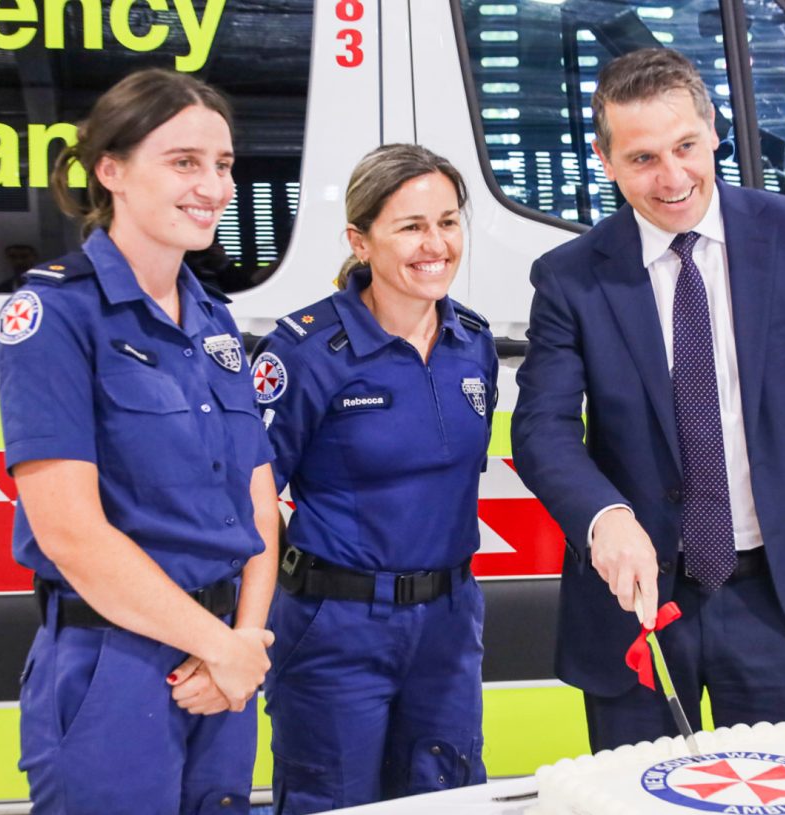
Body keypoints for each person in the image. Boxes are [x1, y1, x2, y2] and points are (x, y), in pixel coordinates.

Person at [511, 48, 785, 751]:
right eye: (642, 159)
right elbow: (542, 427)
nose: (673, 178)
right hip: (637, 608)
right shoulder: (571, 278)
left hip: (784, 599)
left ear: (713, 130)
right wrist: (604, 517)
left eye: (686, 147)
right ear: (606, 162)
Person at [0, 69, 278, 814]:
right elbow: (73, 535)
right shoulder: (55, 315)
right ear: (110, 171)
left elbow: (257, 506)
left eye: (222, 164)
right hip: (115, 664)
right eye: (184, 162)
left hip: (220, 666)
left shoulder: (212, 320)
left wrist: (242, 641)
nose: (213, 186)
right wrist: (222, 647)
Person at [254, 144, 497, 813]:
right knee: (333, 798)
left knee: (446, 797)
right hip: (337, 625)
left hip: (448, 624)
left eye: (448, 222)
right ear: (360, 240)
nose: (436, 244)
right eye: (411, 226)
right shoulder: (304, 351)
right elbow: (249, 493)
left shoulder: (471, 343)